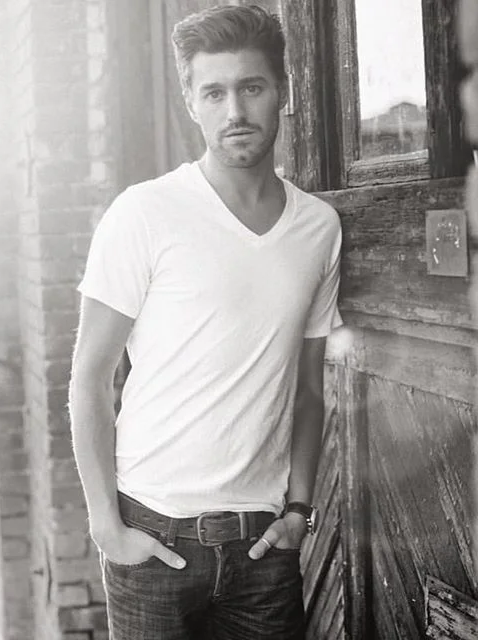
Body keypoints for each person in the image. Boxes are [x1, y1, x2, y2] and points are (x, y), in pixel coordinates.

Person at [69, 5, 342, 639]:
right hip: (151, 539)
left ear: (283, 91)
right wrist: (107, 526)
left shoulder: (318, 228)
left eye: (252, 87)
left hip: (263, 549)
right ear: (191, 102)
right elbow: (89, 378)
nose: (235, 110)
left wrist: (299, 510)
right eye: (214, 93)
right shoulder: (145, 213)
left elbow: (308, 389)